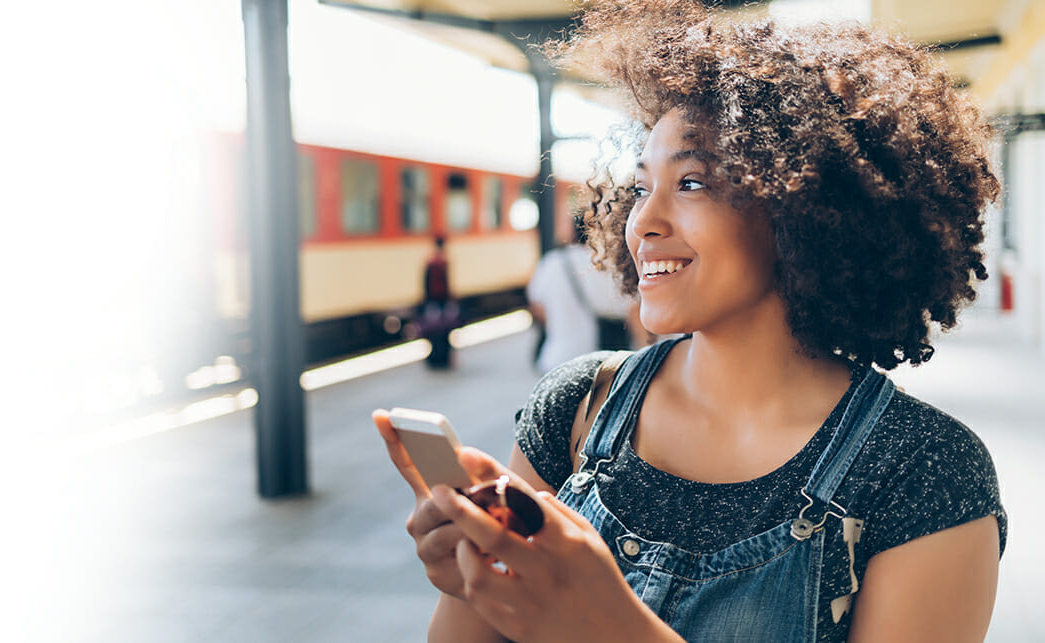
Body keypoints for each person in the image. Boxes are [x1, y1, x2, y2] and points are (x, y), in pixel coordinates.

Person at [370, 1, 1007, 640]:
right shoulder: (577, 409)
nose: (643, 222)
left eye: (694, 183)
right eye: (642, 185)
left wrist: (607, 625)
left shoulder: (924, 473)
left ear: (809, 206)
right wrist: (471, 581)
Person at [527, 218, 642, 372]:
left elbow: (537, 307)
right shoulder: (603, 265)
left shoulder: (551, 262)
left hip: (555, 360)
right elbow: (632, 311)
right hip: (595, 365)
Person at [422, 235, 458, 369]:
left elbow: (425, 285)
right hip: (442, 302)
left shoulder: (430, 263)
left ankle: (435, 360)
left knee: (434, 331)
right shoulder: (443, 263)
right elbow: (447, 285)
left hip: (433, 302)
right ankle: (443, 359)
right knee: (444, 332)